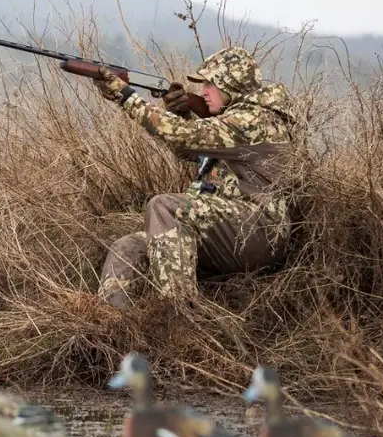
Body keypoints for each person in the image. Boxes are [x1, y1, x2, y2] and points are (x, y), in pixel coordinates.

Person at [90, 45, 297, 308]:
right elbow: (190, 149)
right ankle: (114, 327)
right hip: (226, 230)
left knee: (166, 207)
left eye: (210, 84)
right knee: (128, 246)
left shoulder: (256, 120)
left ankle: (178, 316)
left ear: (229, 85)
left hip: (259, 230)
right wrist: (182, 114)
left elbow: (182, 135)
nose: (204, 91)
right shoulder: (231, 122)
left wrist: (126, 95)